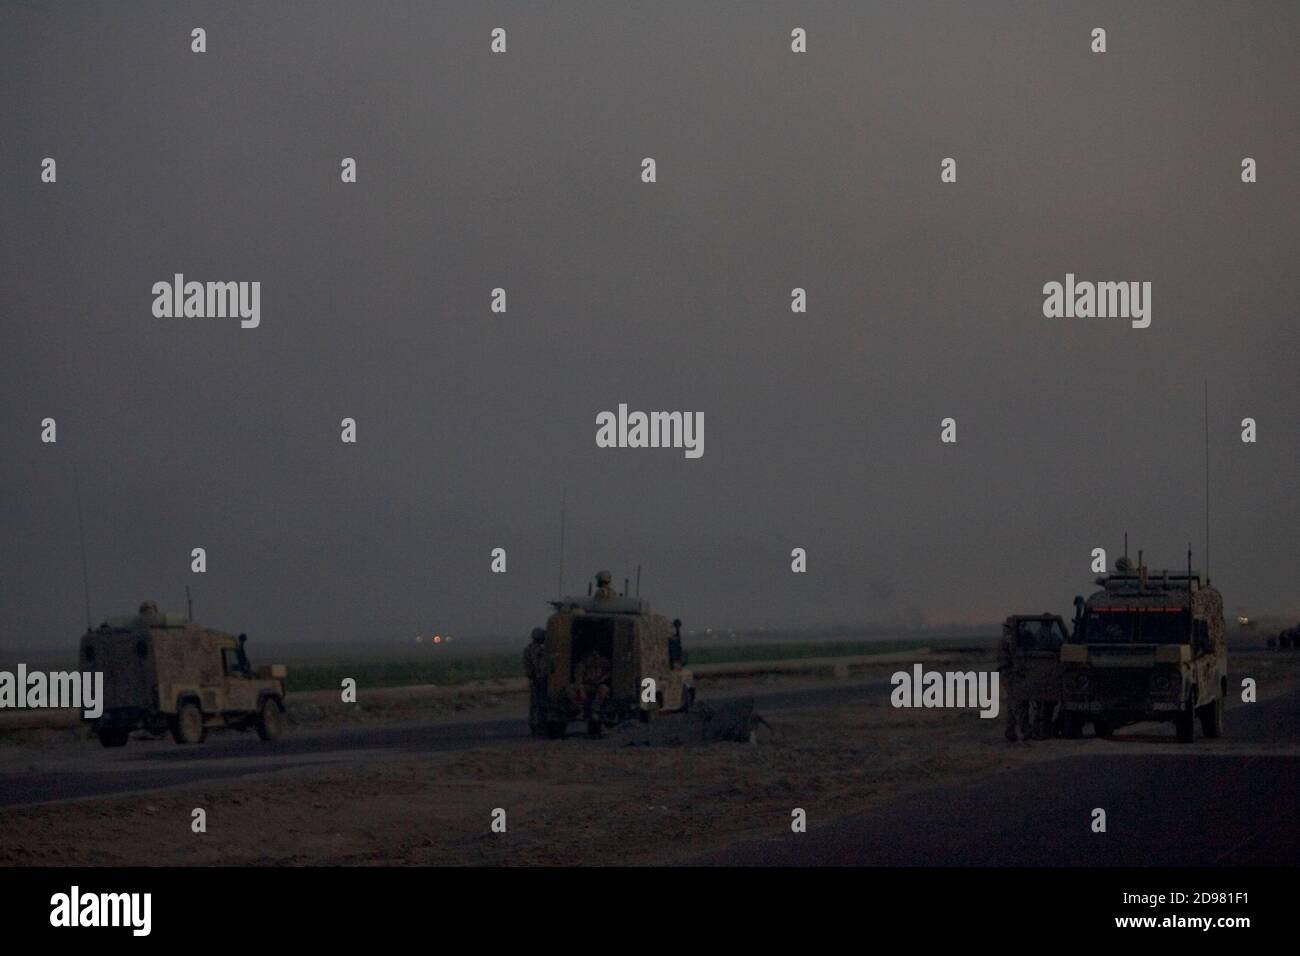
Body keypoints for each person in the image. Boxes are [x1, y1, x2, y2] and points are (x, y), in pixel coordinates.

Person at [567, 648, 612, 737]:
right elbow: (578, 680)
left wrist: (602, 679)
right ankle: (580, 710)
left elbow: (608, 673)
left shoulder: (602, 665)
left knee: (604, 688)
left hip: (597, 686)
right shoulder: (581, 666)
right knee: (570, 689)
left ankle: (595, 711)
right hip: (585, 686)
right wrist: (581, 690)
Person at [997, 622, 1030, 742]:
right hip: (1010, 674)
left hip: (1007, 673)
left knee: (1012, 704)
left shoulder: (1006, 640)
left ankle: (1010, 732)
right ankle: (1025, 732)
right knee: (1018, 703)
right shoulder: (1009, 640)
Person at [523, 627, 549, 736]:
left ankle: (537, 727)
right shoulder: (539, 650)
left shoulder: (529, 649)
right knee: (539, 704)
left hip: (537, 679)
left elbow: (527, 666)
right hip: (539, 680)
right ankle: (539, 727)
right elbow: (533, 666)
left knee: (536, 705)